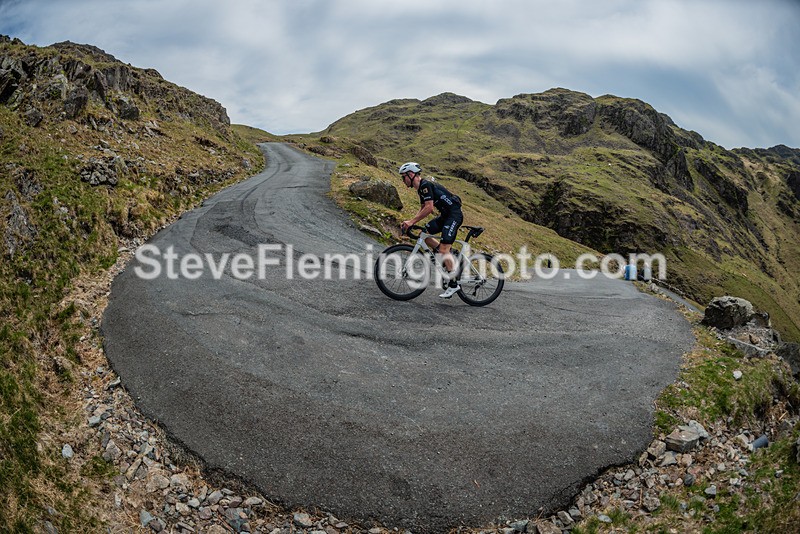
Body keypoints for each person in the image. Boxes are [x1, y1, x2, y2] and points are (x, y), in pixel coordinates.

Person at [398, 162, 464, 298]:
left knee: (443, 250)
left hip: (454, 216)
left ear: (411, 175)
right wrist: (411, 221)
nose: (402, 180)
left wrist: (411, 222)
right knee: (424, 234)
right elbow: (423, 207)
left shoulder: (425, 185)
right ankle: (449, 256)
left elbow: (429, 208)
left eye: (403, 177)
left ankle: (454, 284)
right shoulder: (421, 188)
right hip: (445, 216)